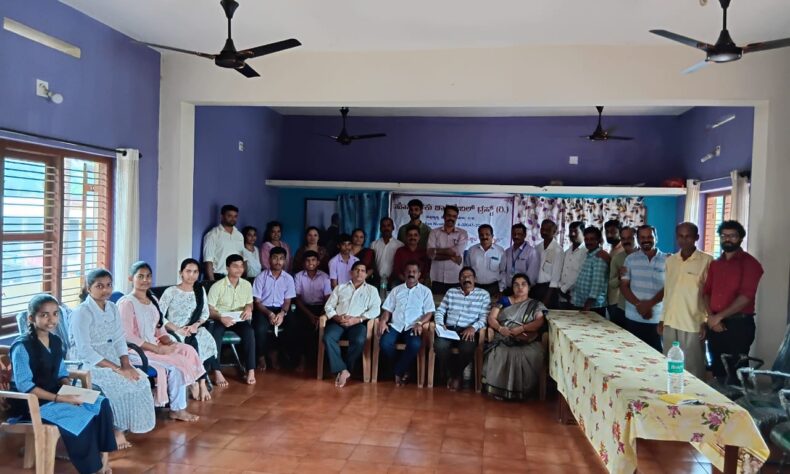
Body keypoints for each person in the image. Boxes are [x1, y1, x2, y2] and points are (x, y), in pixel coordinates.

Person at [9, 294, 117, 474]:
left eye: (55, 314)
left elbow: (61, 374)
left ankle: (103, 459)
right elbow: (25, 386)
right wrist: (62, 398)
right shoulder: (22, 347)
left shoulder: (56, 341)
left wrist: (71, 390)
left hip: (57, 394)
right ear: (31, 318)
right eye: (44, 315)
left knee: (101, 403)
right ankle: (92, 469)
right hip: (33, 403)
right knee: (79, 417)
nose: (51, 320)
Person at [69, 269, 155, 450]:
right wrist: (117, 369)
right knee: (116, 384)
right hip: (85, 362)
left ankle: (126, 425)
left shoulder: (112, 307)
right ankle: (116, 430)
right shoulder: (82, 312)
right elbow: (85, 350)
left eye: (109, 285)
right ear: (89, 288)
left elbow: (118, 338)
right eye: (99, 286)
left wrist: (126, 364)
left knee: (140, 380)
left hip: (110, 356)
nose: (105, 290)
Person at [118, 262, 203, 422]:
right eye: (140, 276)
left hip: (155, 343)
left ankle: (193, 381)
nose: (145, 280)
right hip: (135, 350)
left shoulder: (152, 299)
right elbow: (127, 336)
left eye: (148, 276)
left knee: (187, 350)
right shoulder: (126, 303)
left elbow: (159, 327)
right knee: (177, 366)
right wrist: (157, 349)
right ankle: (178, 409)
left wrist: (168, 341)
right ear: (131, 278)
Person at [703, 220, 764, 382]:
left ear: (741, 238)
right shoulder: (715, 264)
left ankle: (738, 398)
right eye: (724, 235)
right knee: (718, 369)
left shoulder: (750, 264)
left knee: (736, 373)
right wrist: (712, 318)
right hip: (715, 324)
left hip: (739, 326)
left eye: (732, 236)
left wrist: (718, 317)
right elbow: (706, 292)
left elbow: (746, 296)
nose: (727, 239)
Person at [158, 258, 219, 401]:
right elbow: (159, 316)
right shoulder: (171, 292)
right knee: (190, 344)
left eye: (195, 272)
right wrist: (177, 329)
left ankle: (201, 382)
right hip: (173, 330)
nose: (192, 275)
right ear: (181, 273)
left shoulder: (200, 290)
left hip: (193, 328)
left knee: (205, 339)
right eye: (188, 271)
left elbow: (205, 313)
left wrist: (195, 325)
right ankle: (196, 381)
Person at [482, 273, 548, 400]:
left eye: (523, 284)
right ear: (512, 287)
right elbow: (491, 318)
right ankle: (500, 391)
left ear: (529, 287)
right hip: (503, 337)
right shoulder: (504, 301)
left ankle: (522, 391)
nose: (520, 287)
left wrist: (522, 328)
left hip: (526, 339)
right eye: (516, 285)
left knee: (526, 354)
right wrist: (500, 329)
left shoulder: (535, 304)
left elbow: (539, 322)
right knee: (501, 352)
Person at [661, 223, 713, 379]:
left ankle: (694, 394)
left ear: (696, 237)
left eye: (688, 236)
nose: (684, 240)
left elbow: (709, 294)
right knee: (671, 365)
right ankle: (672, 392)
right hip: (670, 322)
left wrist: (705, 321)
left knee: (693, 368)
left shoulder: (707, 261)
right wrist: (662, 319)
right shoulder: (671, 261)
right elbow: (668, 292)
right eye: (680, 236)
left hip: (692, 323)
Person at [323, 262, 381, 388]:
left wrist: (358, 319)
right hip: (339, 322)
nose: (359, 273)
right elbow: (328, 306)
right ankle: (343, 369)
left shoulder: (372, 290)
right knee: (328, 337)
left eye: (362, 270)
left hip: (357, 323)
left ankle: (345, 369)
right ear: (351, 272)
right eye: (356, 270)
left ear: (366, 274)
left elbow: (376, 310)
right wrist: (337, 317)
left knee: (359, 340)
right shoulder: (340, 288)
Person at [378, 262, 435, 386]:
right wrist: (383, 321)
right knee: (384, 343)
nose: (411, 274)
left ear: (419, 274)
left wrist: (420, 323)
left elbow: (429, 313)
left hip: (413, 326)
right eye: (408, 271)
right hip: (396, 325)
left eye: (414, 272)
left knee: (415, 344)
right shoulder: (396, 290)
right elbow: (387, 310)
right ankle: (404, 368)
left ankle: (398, 371)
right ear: (404, 274)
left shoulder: (425, 291)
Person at [434, 267, 489, 391]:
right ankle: (454, 375)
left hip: (468, 330)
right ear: (459, 280)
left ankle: (455, 376)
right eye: (463, 277)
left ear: (475, 279)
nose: (466, 279)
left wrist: (473, 327)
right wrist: (440, 323)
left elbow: (484, 317)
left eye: (469, 276)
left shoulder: (483, 295)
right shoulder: (451, 292)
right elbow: (440, 311)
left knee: (467, 348)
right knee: (439, 346)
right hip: (449, 329)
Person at [207, 254, 257, 385]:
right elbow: (209, 309)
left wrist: (248, 308)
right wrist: (220, 317)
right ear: (227, 268)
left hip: (239, 318)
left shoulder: (246, 285)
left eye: (241, 266)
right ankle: (217, 371)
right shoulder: (217, 286)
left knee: (250, 332)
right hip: (221, 318)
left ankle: (250, 370)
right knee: (216, 334)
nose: (239, 269)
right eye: (235, 266)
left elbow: (250, 303)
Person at [620, 225, 666, 353]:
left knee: (656, 357)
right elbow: (624, 286)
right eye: (642, 237)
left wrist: (649, 305)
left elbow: (669, 288)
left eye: (650, 237)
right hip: (633, 318)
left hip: (658, 320)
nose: (646, 240)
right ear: (638, 239)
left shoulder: (668, 259)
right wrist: (639, 305)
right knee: (632, 355)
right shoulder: (630, 259)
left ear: (656, 238)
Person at [252, 246, 296, 370]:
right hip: (263, 309)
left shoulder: (288, 278)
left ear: (285, 261)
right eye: (275, 258)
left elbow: (287, 301)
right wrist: (269, 314)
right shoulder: (261, 277)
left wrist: (282, 313)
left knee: (293, 325)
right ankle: (261, 357)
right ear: (269, 259)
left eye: (281, 258)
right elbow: (257, 302)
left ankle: (283, 354)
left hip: (281, 309)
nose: (278, 261)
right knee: (260, 329)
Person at [293, 250, 333, 370]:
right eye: (308, 260)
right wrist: (310, 316)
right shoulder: (298, 276)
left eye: (313, 260)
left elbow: (328, 299)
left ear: (318, 262)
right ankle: (302, 360)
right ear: (303, 263)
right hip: (304, 308)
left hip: (321, 308)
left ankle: (322, 362)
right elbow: (297, 299)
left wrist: (321, 316)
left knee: (325, 329)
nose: (311, 263)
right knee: (299, 328)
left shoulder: (325, 276)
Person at [428, 205, 469, 294]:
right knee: (437, 302)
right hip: (437, 278)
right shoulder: (434, 232)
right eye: (449, 215)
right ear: (444, 216)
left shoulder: (463, 233)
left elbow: (456, 252)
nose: (451, 218)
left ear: (457, 218)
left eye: (454, 216)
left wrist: (437, 251)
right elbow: (430, 254)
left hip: (456, 278)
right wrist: (451, 256)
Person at [570, 226, 610, 317]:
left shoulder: (599, 257)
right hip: (584, 304)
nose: (588, 242)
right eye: (586, 239)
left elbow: (597, 285)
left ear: (599, 240)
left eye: (592, 239)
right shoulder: (590, 255)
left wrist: (587, 306)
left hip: (592, 307)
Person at [202, 204, 244, 281]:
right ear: (222, 216)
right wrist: (212, 282)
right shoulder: (212, 235)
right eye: (229, 216)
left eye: (235, 216)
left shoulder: (239, 235)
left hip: (236, 277)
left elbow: (242, 258)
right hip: (219, 277)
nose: (233, 219)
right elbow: (208, 260)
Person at [531, 219, 564, 308]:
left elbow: (556, 277)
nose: (544, 232)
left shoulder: (558, 250)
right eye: (543, 229)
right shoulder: (537, 248)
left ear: (554, 231)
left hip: (549, 291)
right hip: (535, 288)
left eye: (548, 230)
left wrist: (547, 298)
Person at [608, 227, 636, 328]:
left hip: (642, 308)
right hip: (623, 307)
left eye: (629, 238)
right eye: (623, 239)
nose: (626, 241)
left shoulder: (645, 256)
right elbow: (612, 284)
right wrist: (620, 277)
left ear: (636, 237)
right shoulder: (617, 258)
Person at [464, 224, 504, 296]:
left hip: (494, 288)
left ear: (492, 236)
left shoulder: (500, 251)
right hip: (475, 287)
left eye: (487, 234)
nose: (484, 237)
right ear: (479, 236)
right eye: (481, 235)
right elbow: (466, 270)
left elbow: (503, 272)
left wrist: (501, 290)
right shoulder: (471, 250)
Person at [499, 223, 539, 293]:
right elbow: (503, 272)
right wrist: (502, 288)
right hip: (508, 289)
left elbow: (532, 275)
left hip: (523, 291)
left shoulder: (531, 252)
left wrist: (523, 289)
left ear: (524, 235)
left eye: (519, 234)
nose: (516, 236)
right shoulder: (507, 252)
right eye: (514, 234)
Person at [557, 221, 588, 309]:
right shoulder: (567, 252)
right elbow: (561, 272)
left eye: (575, 231)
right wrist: (560, 288)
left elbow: (579, 274)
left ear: (583, 233)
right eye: (571, 231)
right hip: (562, 297)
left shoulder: (586, 252)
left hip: (576, 298)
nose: (572, 234)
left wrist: (563, 289)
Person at [371, 217, 404, 290]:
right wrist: (377, 277)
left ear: (393, 227)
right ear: (380, 228)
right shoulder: (374, 244)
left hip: (394, 281)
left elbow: (399, 265)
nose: (386, 228)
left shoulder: (400, 245)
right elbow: (372, 263)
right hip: (377, 280)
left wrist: (392, 278)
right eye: (383, 226)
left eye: (388, 225)